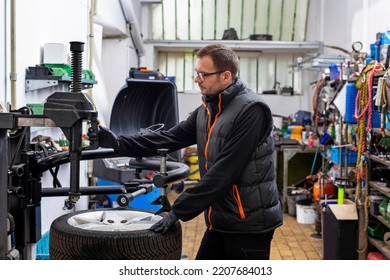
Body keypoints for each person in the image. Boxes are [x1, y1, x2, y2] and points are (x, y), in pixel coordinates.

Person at [96, 43, 283, 260]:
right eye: (197, 73)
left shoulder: (252, 110)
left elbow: (224, 172)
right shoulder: (207, 109)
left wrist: (177, 211)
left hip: (249, 223)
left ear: (226, 76)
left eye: (203, 75)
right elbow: (169, 138)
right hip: (220, 219)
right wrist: (119, 143)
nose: (197, 80)